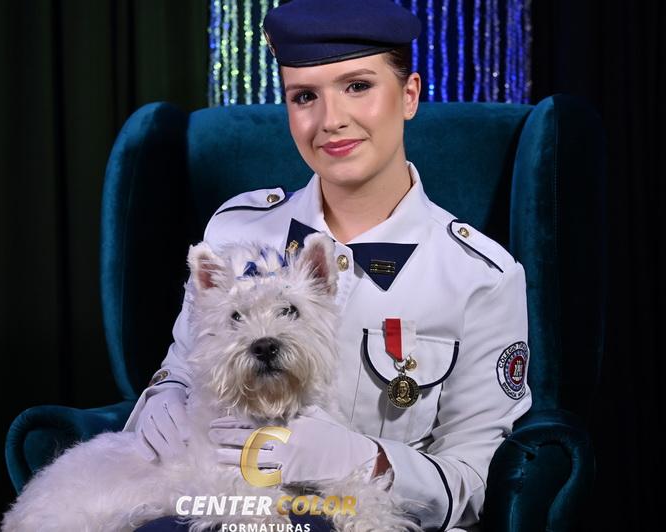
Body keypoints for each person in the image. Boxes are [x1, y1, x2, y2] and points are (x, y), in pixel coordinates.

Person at [127, 0, 531, 530]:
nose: (330, 120)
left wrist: (366, 461)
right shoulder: (234, 233)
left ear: (409, 95)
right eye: (305, 96)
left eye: (358, 86)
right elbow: (184, 365)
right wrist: (164, 396)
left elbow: (477, 480)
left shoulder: (479, 277)